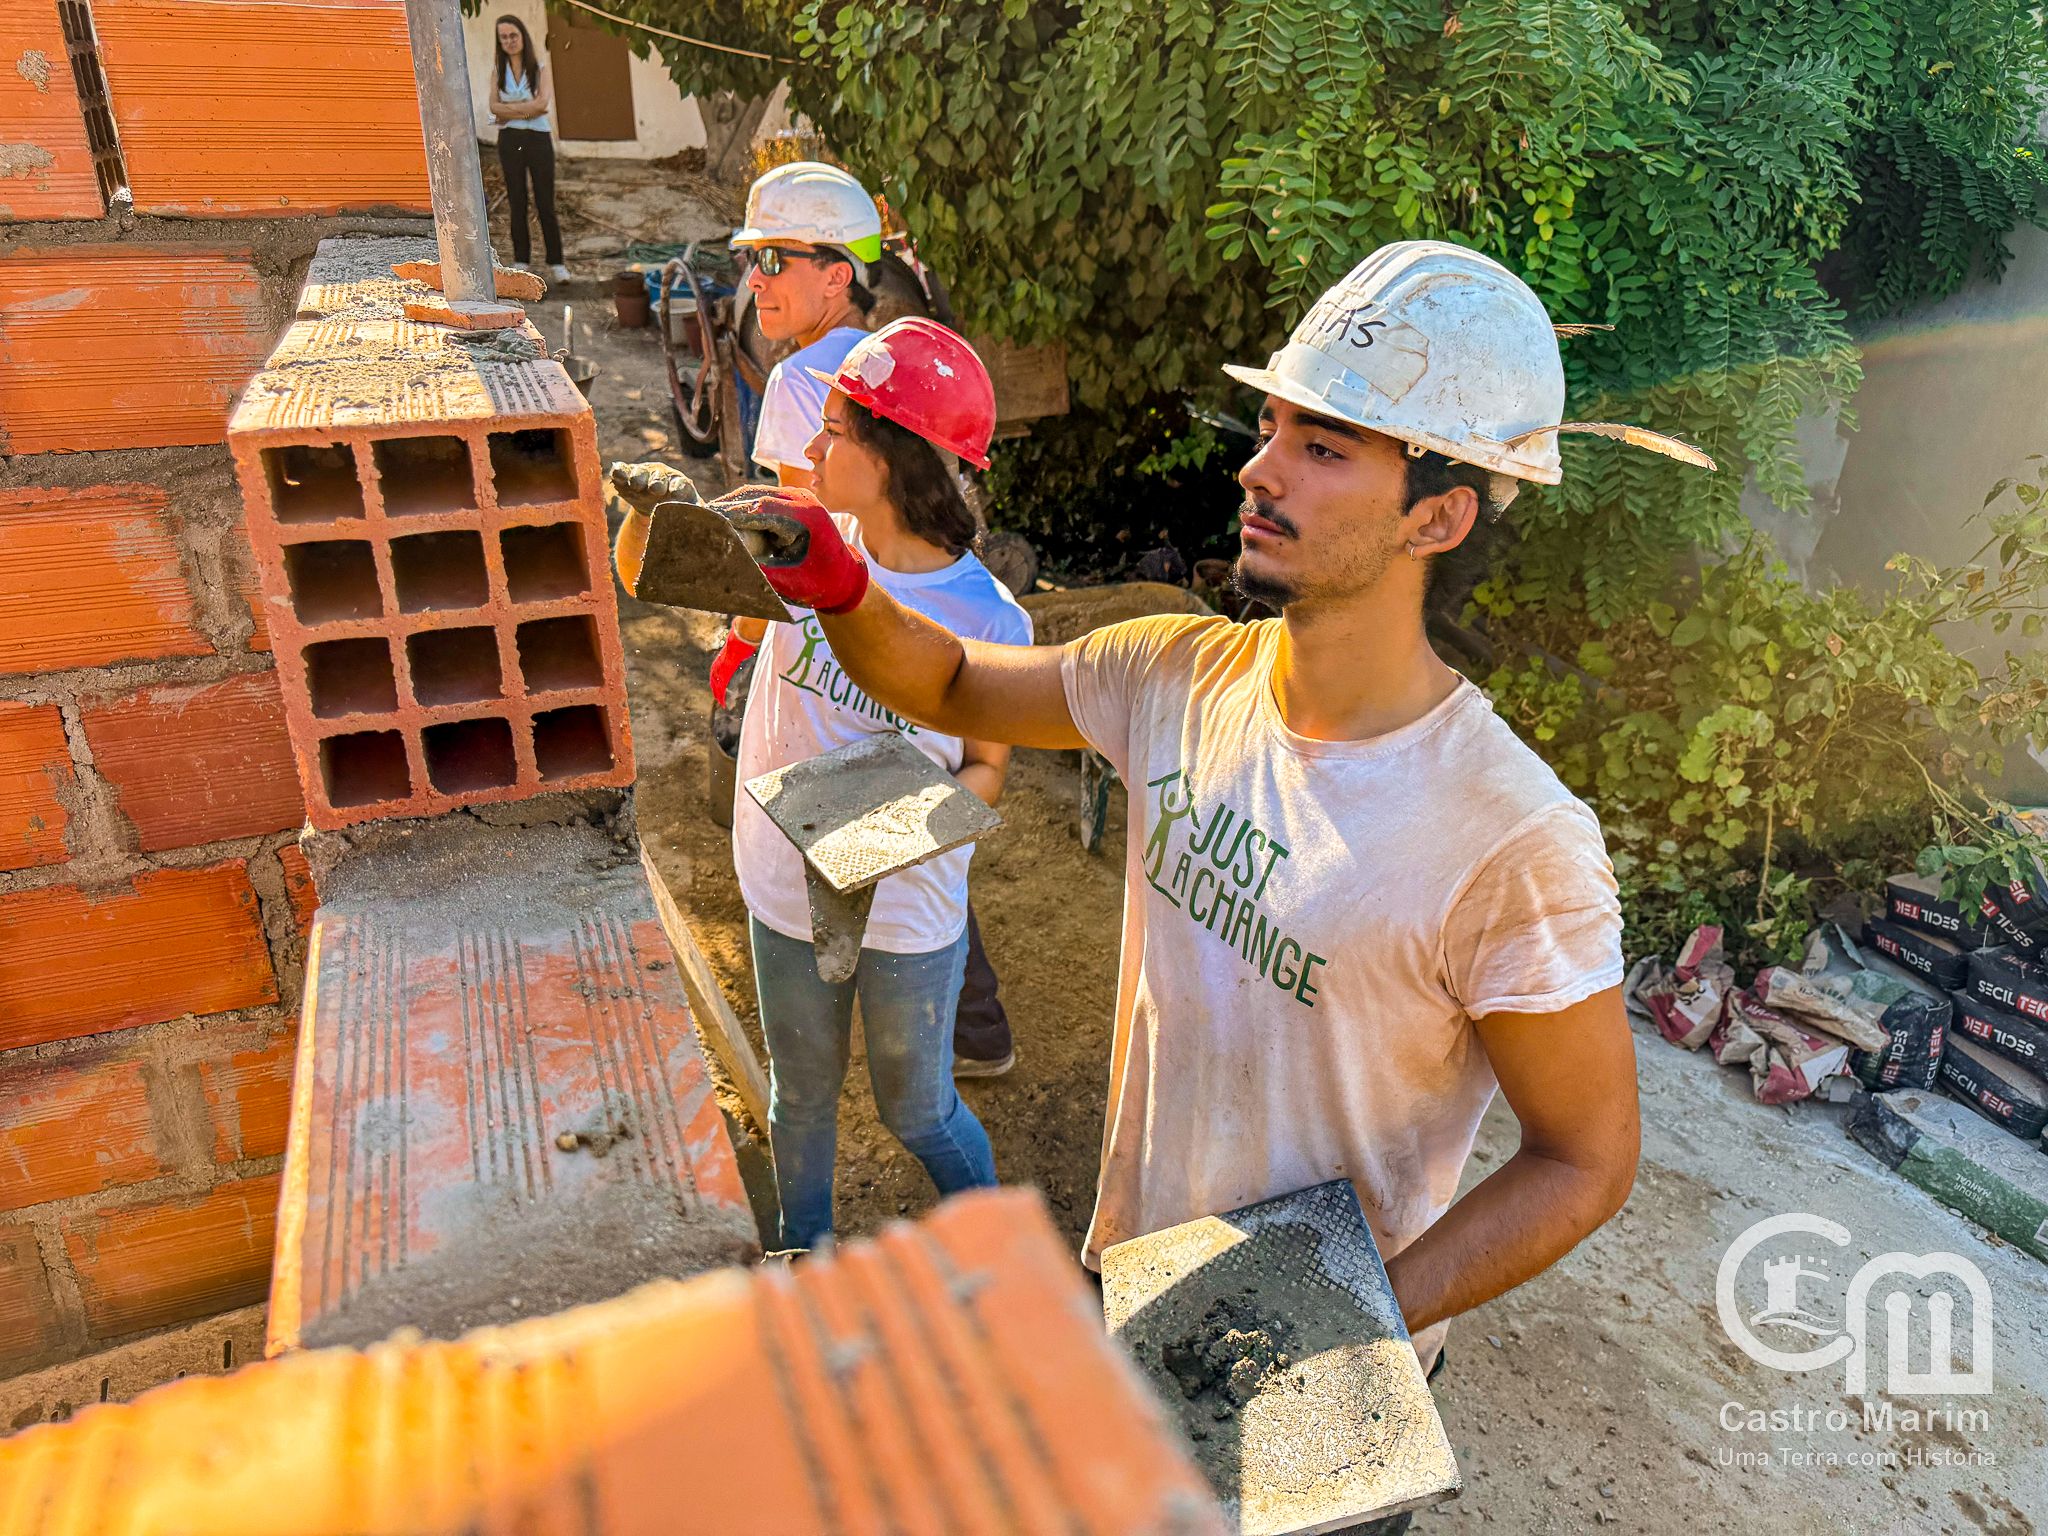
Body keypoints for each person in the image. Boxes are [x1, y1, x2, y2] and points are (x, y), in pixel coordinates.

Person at [711, 243, 1716, 1386]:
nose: (1258, 471)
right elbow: (946, 684)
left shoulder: (1510, 836)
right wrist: (838, 583)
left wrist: (1344, 1319)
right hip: (1138, 1275)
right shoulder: (1174, 677)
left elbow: (1584, 1160)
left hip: (1329, 1351)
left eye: (1321, 448)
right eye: (1272, 431)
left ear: (1434, 519)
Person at [619, 320, 1031, 1252]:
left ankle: (1006, 1258)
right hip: (777, 878)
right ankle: (800, 1252)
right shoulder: (797, 546)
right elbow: (647, 574)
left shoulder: (984, 618)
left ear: (891, 459)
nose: (809, 448)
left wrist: (862, 840)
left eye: (835, 430)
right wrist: (650, 517)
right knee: (798, 1095)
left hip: (906, 907)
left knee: (917, 1109)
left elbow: (987, 772)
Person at [728, 159, 1021, 1076]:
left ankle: (940, 1038)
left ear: (837, 272)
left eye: (775, 259)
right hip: (902, 621)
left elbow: (788, 543)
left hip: (839, 636)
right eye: (753, 259)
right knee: (913, 796)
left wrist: (738, 642)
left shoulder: (804, 387)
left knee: (863, 812)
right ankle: (976, 1028)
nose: (755, 281)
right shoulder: (901, 360)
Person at [489, 15, 569, 284]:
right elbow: (493, 107)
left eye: (513, 35)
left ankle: (557, 263)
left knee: (545, 201)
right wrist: (526, 108)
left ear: (522, 36)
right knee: (517, 199)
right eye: (504, 37)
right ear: (499, 41)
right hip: (510, 140)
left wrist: (510, 111)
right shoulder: (498, 71)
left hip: (539, 139)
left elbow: (542, 105)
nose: (509, 41)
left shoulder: (540, 68)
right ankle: (521, 260)